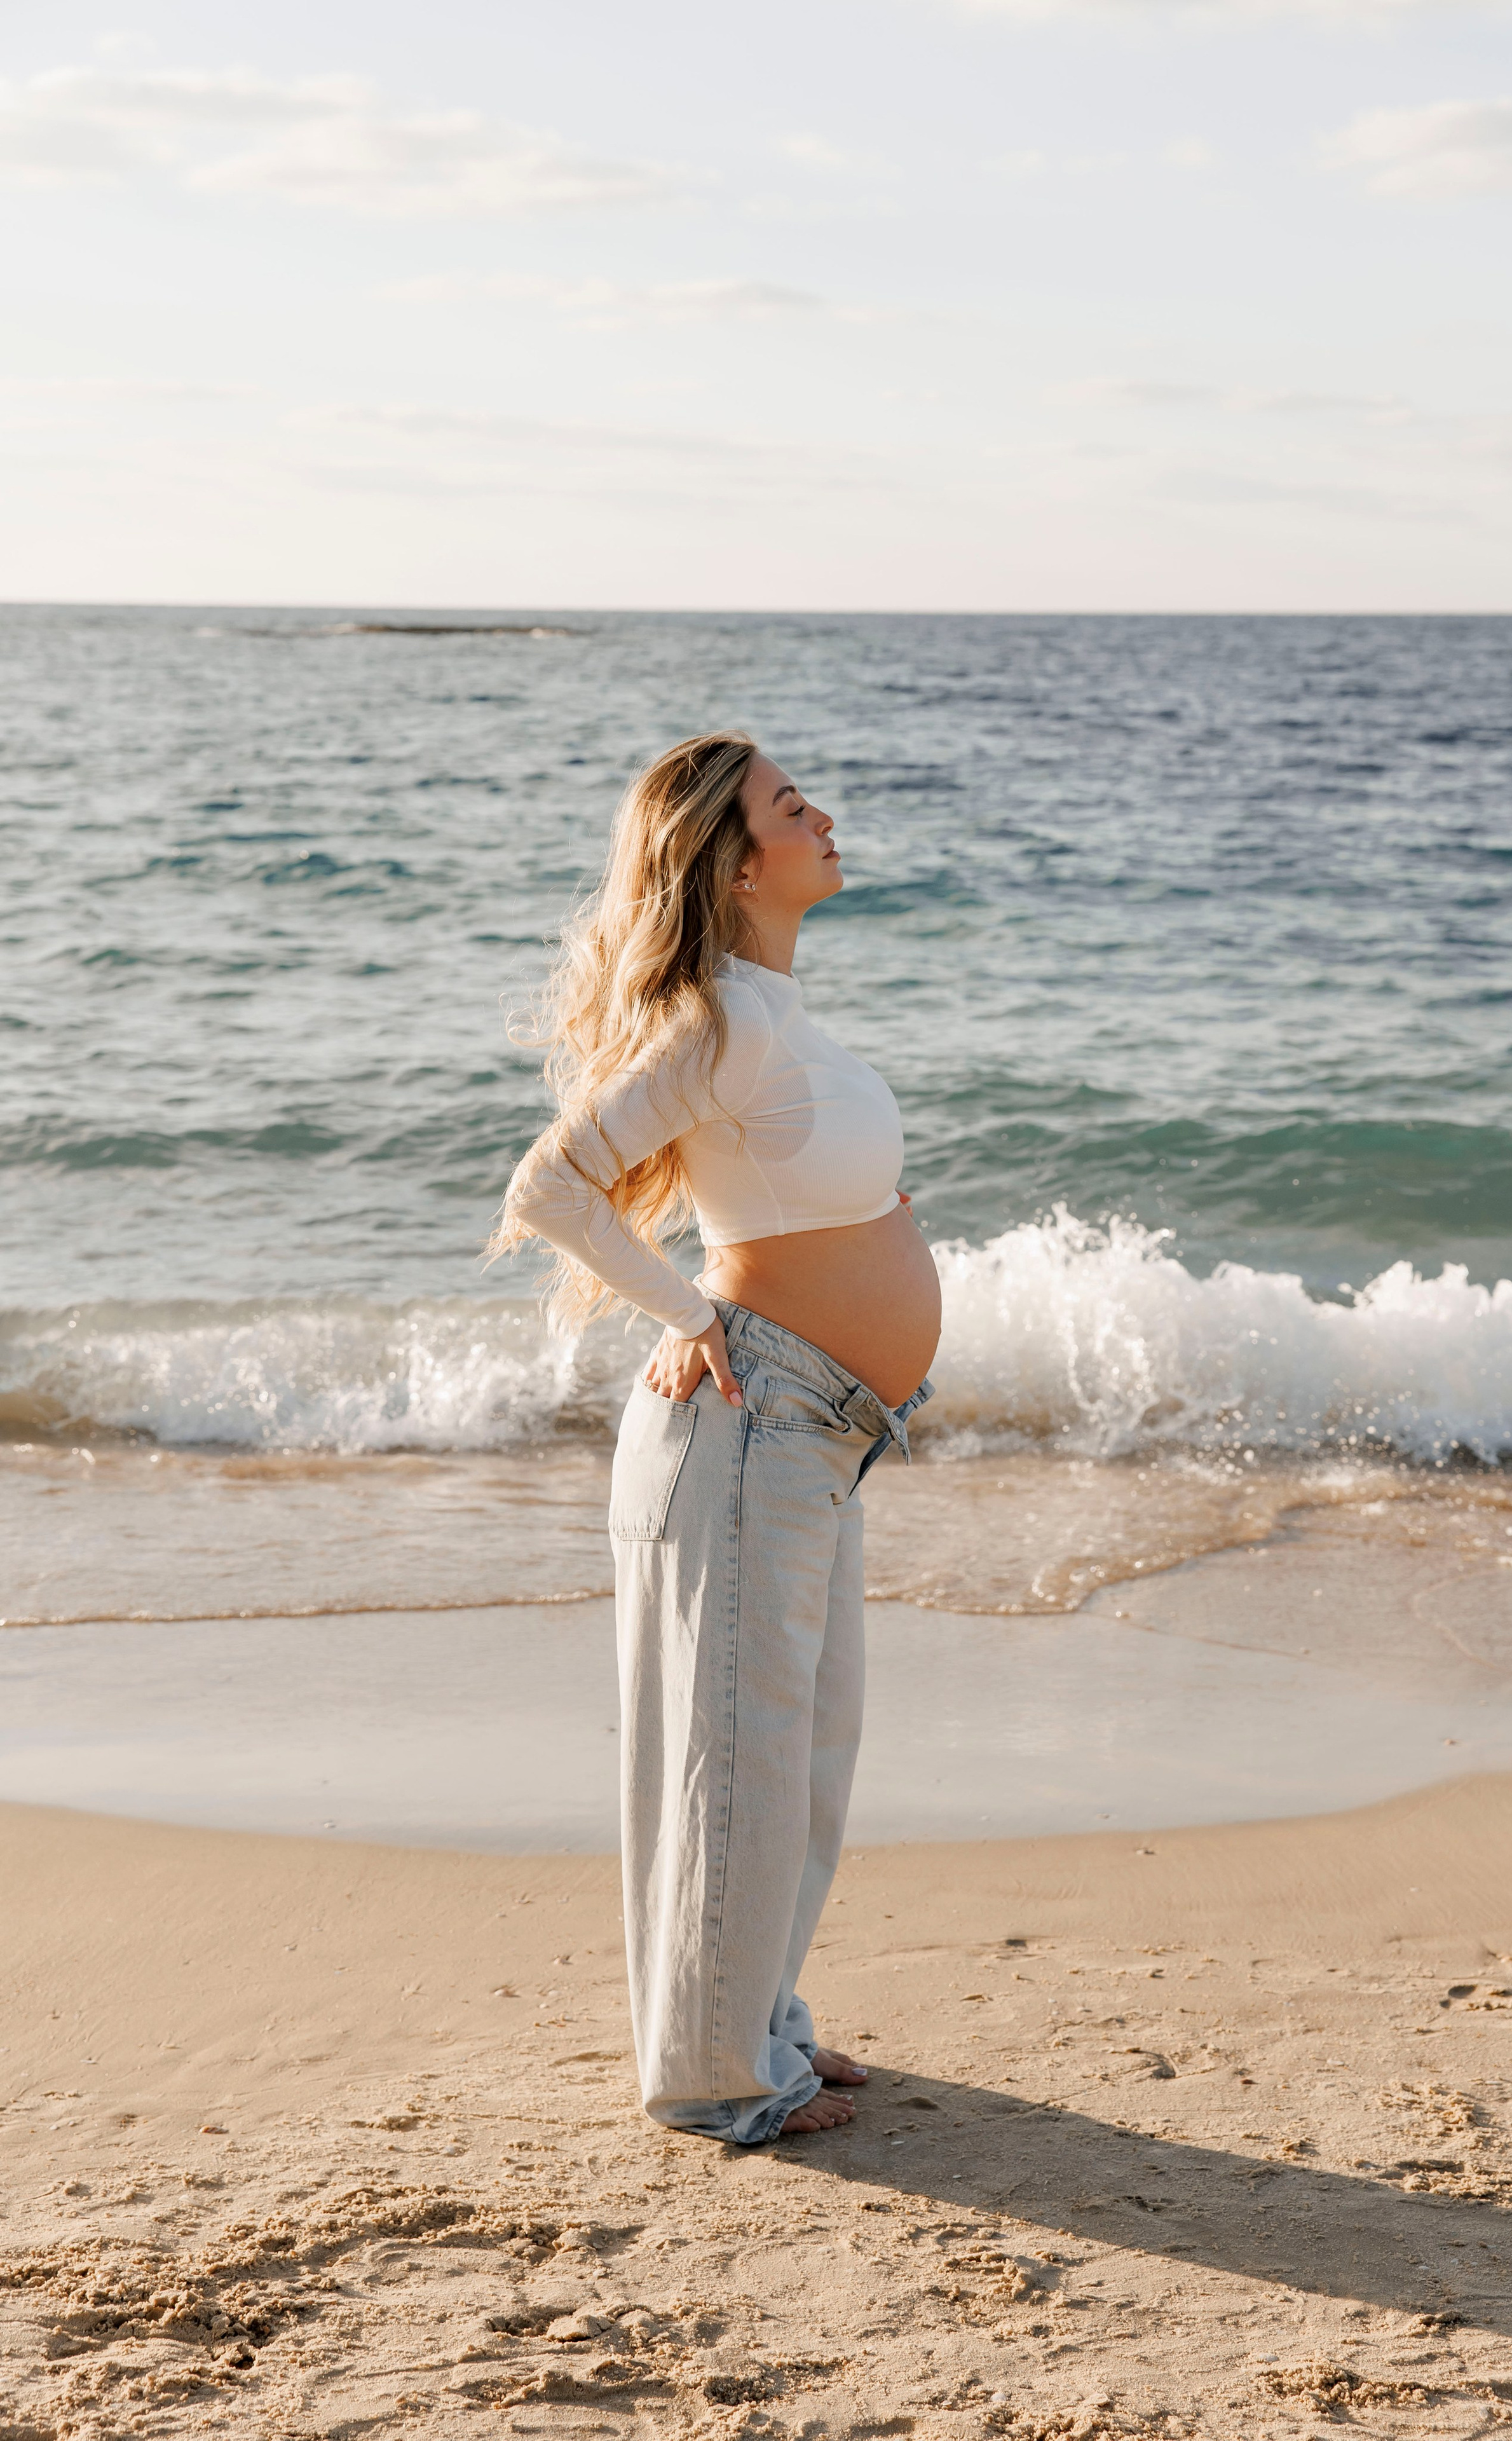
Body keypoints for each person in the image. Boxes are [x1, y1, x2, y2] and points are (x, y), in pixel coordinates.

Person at [491, 732, 941, 2142]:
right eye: (787, 805)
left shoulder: (773, 1013)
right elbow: (549, 1185)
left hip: (816, 1429)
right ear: (737, 861)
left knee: (801, 1756)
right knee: (740, 1755)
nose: (821, 814)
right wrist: (687, 1313)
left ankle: (762, 2024)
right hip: (752, 1419)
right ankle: (713, 2078)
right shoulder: (716, 1023)